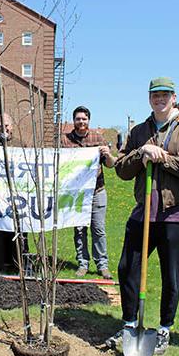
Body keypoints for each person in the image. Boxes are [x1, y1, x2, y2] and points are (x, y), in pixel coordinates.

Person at [107, 77, 179, 354]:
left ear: (174, 97)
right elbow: (122, 169)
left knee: (170, 276)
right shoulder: (140, 131)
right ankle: (129, 324)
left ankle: (164, 329)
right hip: (143, 213)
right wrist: (141, 153)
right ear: (149, 98)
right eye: (154, 95)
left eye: (164, 95)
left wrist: (163, 158)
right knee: (128, 268)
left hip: (176, 216)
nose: (159, 99)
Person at [61, 106, 116, 279]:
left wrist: (107, 154)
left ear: (88, 121)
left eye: (84, 119)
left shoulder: (97, 138)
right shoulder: (65, 140)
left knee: (98, 228)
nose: (81, 122)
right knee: (79, 230)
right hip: (77, 193)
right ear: (74, 121)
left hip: (97, 190)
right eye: (78, 119)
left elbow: (110, 164)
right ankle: (82, 264)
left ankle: (102, 265)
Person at [0, 113, 29, 272]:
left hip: (17, 195)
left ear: (12, 126)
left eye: (7, 125)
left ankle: (17, 262)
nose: (4, 128)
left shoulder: (20, 145)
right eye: (0, 125)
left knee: (17, 228)